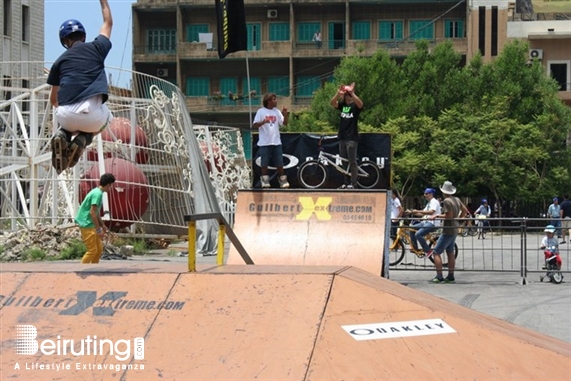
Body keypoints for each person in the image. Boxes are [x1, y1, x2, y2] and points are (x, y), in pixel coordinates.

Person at [47, 0, 114, 174]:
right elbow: (108, 23)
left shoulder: (59, 62)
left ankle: (63, 135)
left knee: (66, 117)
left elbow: (54, 100)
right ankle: (84, 139)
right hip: (93, 119)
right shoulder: (97, 48)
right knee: (109, 117)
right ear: (83, 36)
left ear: (65, 41)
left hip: (66, 117)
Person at [427, 181, 469, 283]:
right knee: (450, 252)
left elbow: (448, 216)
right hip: (454, 228)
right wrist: (458, 219)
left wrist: (436, 216)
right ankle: (450, 276)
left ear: (443, 191)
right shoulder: (457, 199)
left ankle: (439, 276)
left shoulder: (447, 201)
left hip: (448, 229)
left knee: (436, 252)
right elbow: (465, 210)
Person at [75, 173, 115, 263]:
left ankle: (94, 269)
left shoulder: (97, 192)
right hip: (87, 225)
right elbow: (92, 212)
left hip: (90, 224)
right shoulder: (97, 194)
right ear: (108, 185)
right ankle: (82, 269)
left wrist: (102, 225)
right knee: (92, 251)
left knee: (99, 250)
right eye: (111, 185)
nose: (111, 188)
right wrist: (98, 230)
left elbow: (96, 213)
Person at [330, 82, 363, 189]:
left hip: (352, 138)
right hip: (342, 137)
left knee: (352, 162)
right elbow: (333, 103)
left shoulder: (354, 106)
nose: (345, 96)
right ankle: (346, 182)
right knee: (344, 161)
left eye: (346, 95)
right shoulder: (343, 106)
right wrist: (337, 94)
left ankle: (354, 184)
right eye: (345, 95)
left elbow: (361, 104)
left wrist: (352, 93)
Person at [252, 93, 289, 188]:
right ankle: (265, 180)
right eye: (274, 99)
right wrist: (263, 122)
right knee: (264, 163)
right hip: (265, 143)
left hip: (276, 142)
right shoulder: (261, 111)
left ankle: (282, 180)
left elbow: (284, 123)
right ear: (268, 101)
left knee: (279, 163)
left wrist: (285, 114)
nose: (276, 101)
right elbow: (255, 124)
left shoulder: (277, 112)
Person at [407, 188, 441, 254]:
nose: (424, 195)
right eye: (424, 193)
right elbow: (422, 213)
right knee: (411, 228)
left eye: (426, 193)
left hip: (433, 223)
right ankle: (415, 248)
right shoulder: (429, 203)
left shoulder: (434, 202)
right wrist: (412, 212)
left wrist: (418, 211)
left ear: (431, 194)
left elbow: (431, 212)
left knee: (418, 234)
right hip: (426, 222)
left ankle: (428, 251)